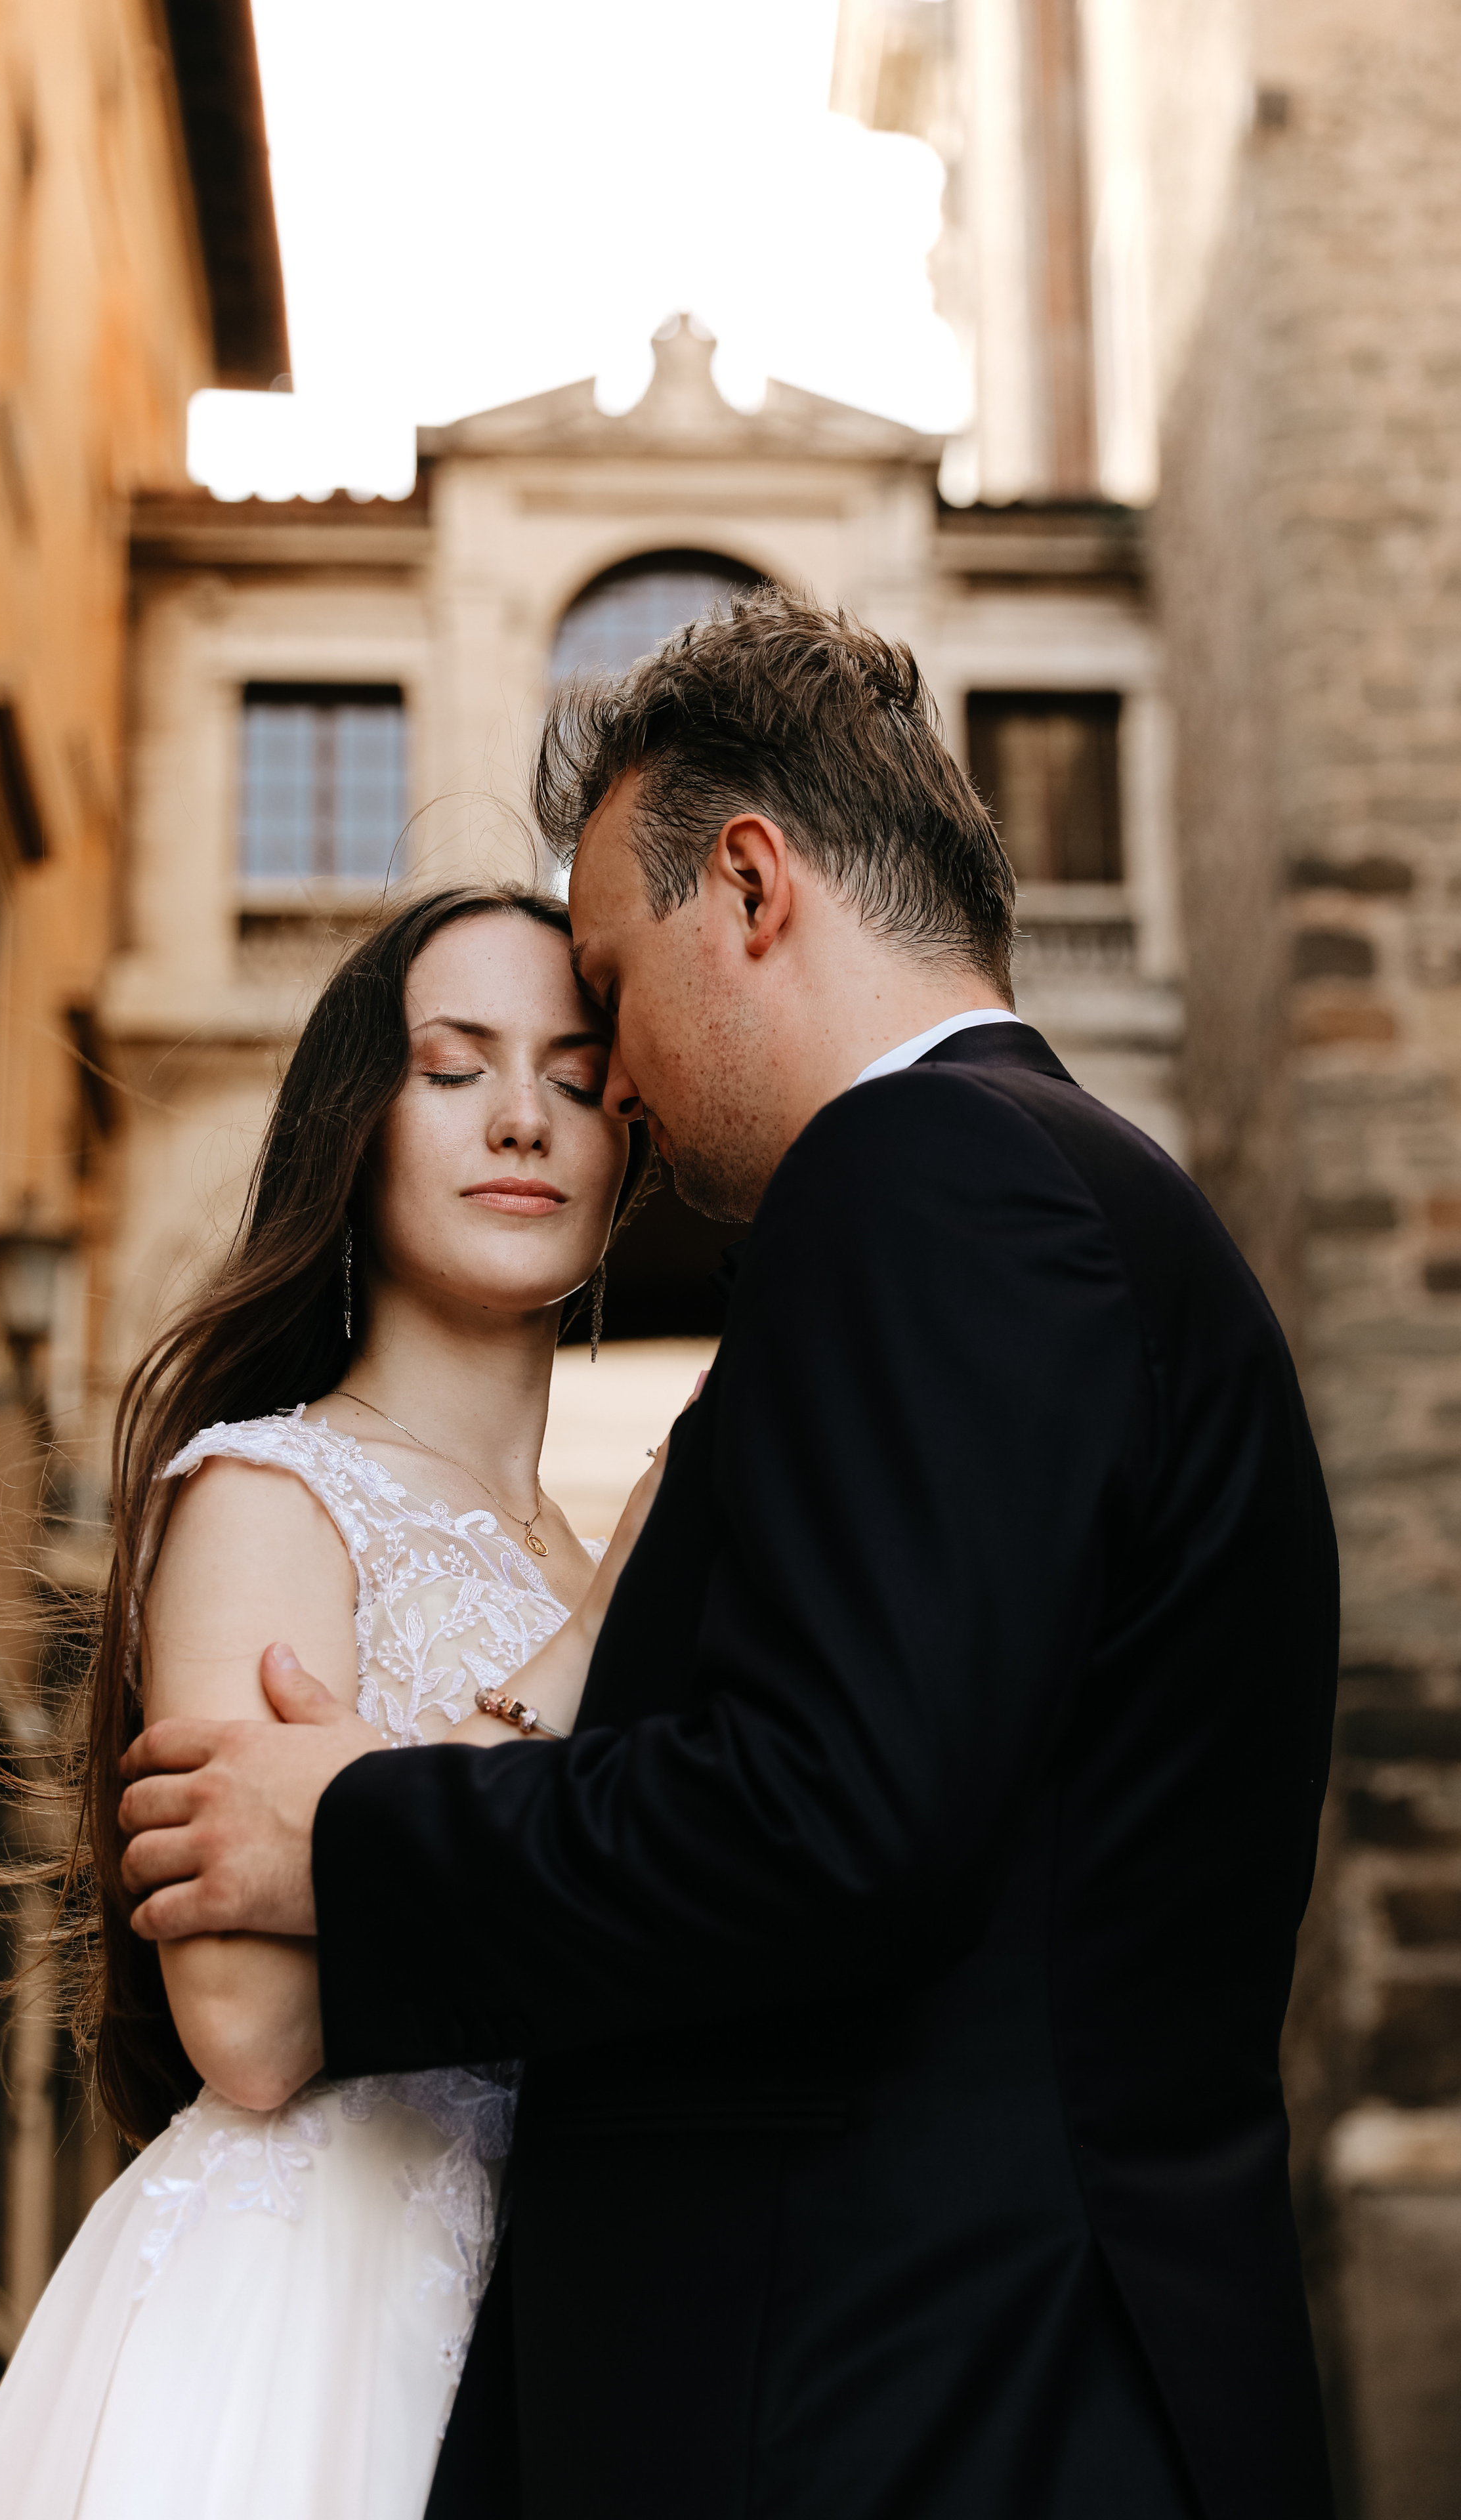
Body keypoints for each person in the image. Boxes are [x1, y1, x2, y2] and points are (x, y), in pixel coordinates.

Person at [121, 591, 1341, 2520]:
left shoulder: (926, 1181)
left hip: (930, 2417)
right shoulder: (1075, 1193)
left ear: (751, 888)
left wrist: (345, 1824)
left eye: (608, 987)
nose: (610, 1082)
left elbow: (831, 1814)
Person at [0, 885, 662, 2520]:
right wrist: (572, 1666)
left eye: (572, 1073)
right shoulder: (272, 1496)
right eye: (452, 1066)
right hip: (313, 2324)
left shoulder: (587, 1555)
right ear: (361, 1122)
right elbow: (253, 2031)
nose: (522, 1121)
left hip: (558, 2329)